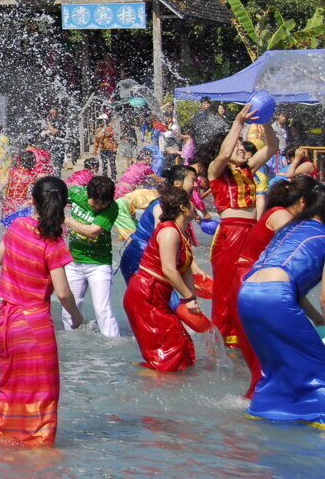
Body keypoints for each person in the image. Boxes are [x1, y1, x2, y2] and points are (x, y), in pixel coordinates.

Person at [0, 176, 82, 446]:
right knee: (43, 392)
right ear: (64, 206)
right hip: (33, 325)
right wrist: (75, 315)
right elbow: (63, 292)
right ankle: (39, 455)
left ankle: (3, 441)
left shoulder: (17, 225)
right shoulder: (53, 244)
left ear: (33, 202)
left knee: (10, 387)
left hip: (6, 322)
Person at [236, 184, 325, 429]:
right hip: (276, 295)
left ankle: (265, 411)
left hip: (247, 294)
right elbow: (324, 297)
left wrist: (319, 321)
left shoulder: (288, 229)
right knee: (319, 366)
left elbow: (286, 282)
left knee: (276, 367)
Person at [203, 103, 276, 348]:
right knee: (226, 290)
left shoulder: (248, 169)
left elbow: (273, 147)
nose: (242, 150)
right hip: (230, 233)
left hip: (252, 232)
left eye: (243, 147)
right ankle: (225, 340)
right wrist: (238, 123)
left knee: (249, 285)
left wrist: (265, 120)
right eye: (237, 147)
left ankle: (247, 335)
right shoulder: (216, 171)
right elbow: (223, 156)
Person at [122, 187, 199, 372]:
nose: (195, 204)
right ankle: (146, 392)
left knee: (183, 348)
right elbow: (169, 270)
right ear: (183, 207)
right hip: (146, 295)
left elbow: (186, 269)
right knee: (168, 355)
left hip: (156, 296)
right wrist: (188, 298)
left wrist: (192, 299)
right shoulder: (169, 231)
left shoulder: (181, 232)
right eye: (191, 202)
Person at [61, 175, 120, 336]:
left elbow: (92, 231)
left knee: (102, 309)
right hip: (74, 262)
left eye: (103, 203)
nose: (99, 207)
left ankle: (113, 346)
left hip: (99, 265)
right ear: (88, 195)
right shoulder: (76, 194)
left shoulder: (112, 208)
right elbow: (55, 195)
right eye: (96, 202)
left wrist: (65, 219)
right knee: (69, 307)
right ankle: (71, 342)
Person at [39, 107, 67, 173]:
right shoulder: (48, 119)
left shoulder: (61, 119)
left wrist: (48, 122)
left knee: (57, 168)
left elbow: (54, 131)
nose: (53, 112)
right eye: (51, 111)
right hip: (49, 145)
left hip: (58, 145)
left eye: (55, 110)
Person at [93, 115, 117, 179]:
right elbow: (96, 140)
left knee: (112, 164)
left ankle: (113, 177)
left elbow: (114, 139)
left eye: (102, 121)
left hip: (111, 149)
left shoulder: (110, 129)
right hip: (103, 149)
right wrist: (95, 149)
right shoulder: (98, 130)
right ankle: (104, 177)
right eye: (100, 121)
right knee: (104, 164)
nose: (101, 122)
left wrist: (115, 147)